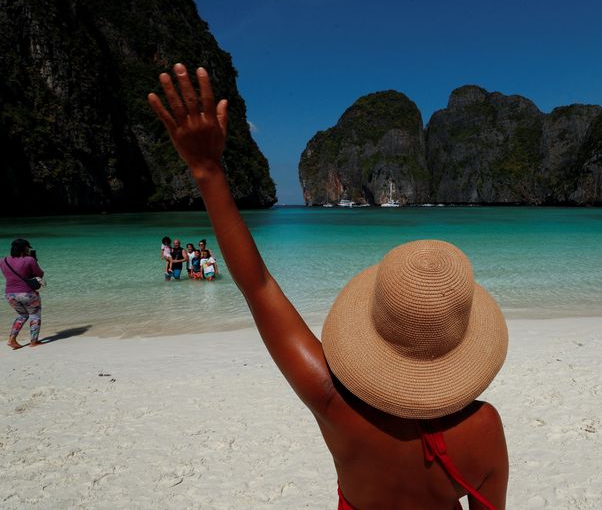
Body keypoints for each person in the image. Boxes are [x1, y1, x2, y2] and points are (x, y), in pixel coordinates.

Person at [148, 64, 509, 509]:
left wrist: (207, 172)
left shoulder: (333, 400)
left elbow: (258, 287)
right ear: (460, 337)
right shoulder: (484, 430)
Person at [1, 239, 45, 349]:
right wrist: (34, 261)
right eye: (27, 247)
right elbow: (39, 274)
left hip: (10, 294)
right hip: (27, 293)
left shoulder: (3, 260)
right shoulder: (29, 259)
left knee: (22, 315)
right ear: (24, 248)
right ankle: (34, 341)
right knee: (34, 315)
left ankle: (12, 339)